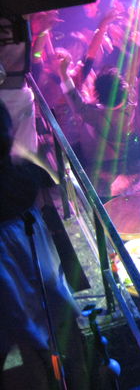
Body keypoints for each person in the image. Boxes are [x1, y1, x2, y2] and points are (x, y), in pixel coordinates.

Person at [0, 100, 86, 389]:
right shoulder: (22, 178)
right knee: (44, 311)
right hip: (27, 252)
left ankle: (51, 371)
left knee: (25, 321)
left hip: (18, 261)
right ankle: (60, 373)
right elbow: (49, 181)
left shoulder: (20, 177)